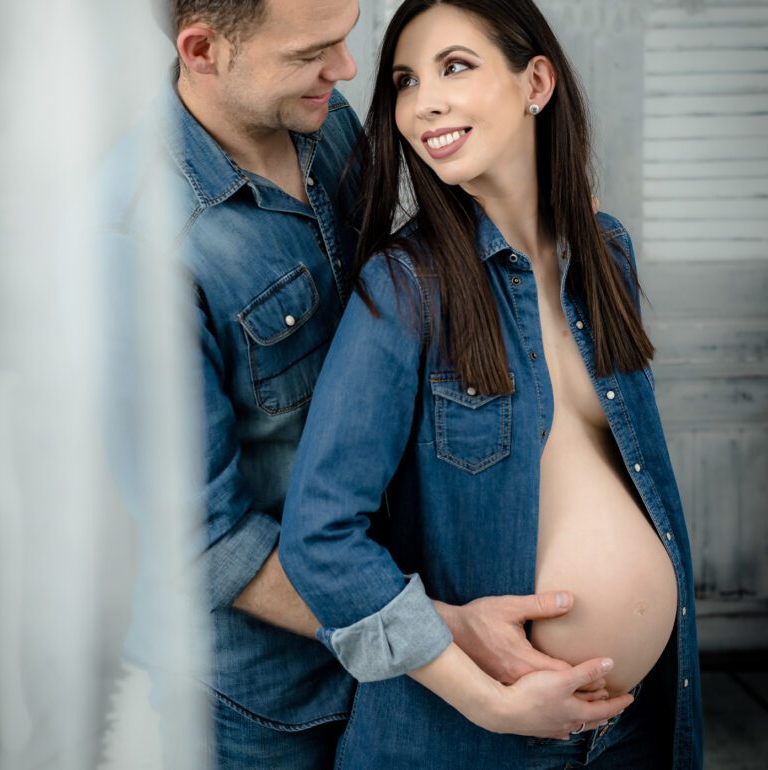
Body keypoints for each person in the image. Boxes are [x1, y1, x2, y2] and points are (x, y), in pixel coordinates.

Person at [100, 1, 605, 767]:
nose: (346, 72)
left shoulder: (319, 117)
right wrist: (436, 636)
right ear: (203, 50)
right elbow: (204, 541)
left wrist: (545, 223)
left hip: (407, 627)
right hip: (266, 702)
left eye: (345, 39)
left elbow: (413, 284)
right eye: (313, 53)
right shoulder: (134, 247)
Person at [279, 0, 704, 767]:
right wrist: (487, 697)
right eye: (406, 81)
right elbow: (320, 537)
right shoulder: (405, 290)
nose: (423, 102)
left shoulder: (606, 254)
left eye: (455, 67)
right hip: (477, 743)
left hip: (636, 732)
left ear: (535, 80)